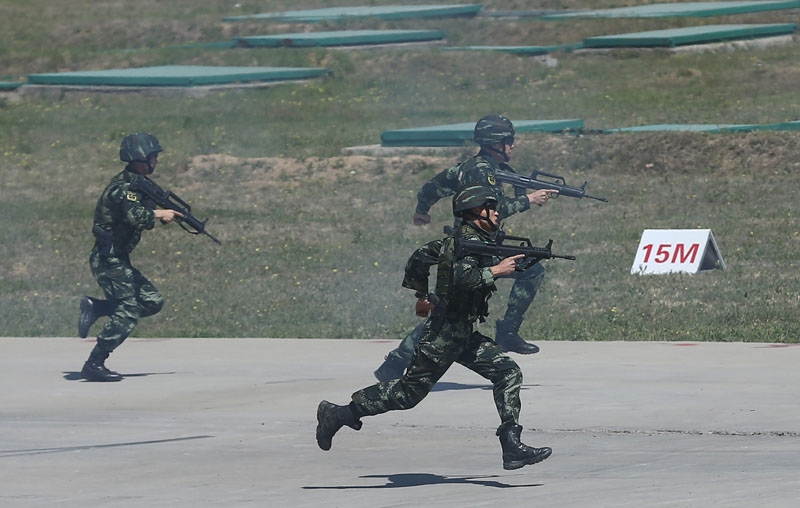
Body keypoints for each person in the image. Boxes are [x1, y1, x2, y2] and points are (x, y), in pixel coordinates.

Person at [316, 185, 552, 470]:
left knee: (508, 372)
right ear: (477, 211)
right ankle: (339, 414)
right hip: (443, 335)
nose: (498, 211)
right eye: (492, 207)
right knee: (407, 395)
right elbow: (464, 278)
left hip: (463, 333)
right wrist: (497, 270)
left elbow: (420, 255)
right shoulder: (464, 243)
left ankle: (511, 444)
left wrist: (422, 295)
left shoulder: (471, 240)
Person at [374, 114, 557, 382]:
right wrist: (529, 200)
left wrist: (422, 210)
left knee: (454, 312)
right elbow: (491, 211)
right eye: (509, 141)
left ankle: (396, 362)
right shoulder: (482, 172)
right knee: (453, 313)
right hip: (472, 248)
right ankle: (507, 333)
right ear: (496, 143)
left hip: (477, 245)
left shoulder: (472, 167)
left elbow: (431, 187)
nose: (513, 146)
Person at [77, 133, 183, 382]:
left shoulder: (136, 183)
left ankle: (98, 308)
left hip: (119, 259)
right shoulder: (124, 188)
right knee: (127, 310)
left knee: (152, 301)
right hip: (108, 260)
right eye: (152, 156)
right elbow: (138, 217)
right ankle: (94, 363)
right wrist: (158, 214)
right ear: (140, 158)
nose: (155, 161)